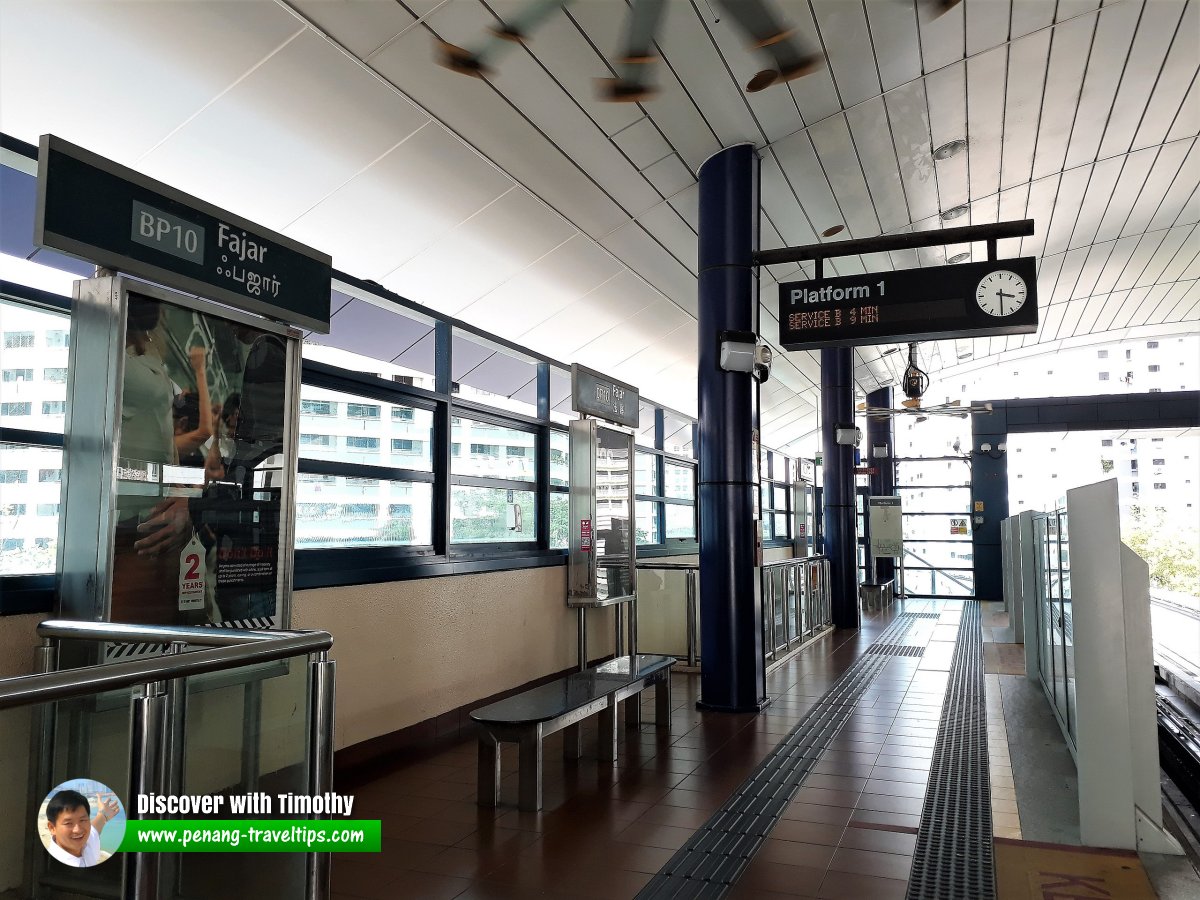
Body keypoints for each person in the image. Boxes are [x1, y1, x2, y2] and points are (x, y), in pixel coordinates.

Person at [43, 790, 118, 868]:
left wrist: (103, 814)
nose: (78, 830)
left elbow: (95, 827)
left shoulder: (87, 843)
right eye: (68, 823)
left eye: (82, 820)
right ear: (52, 828)